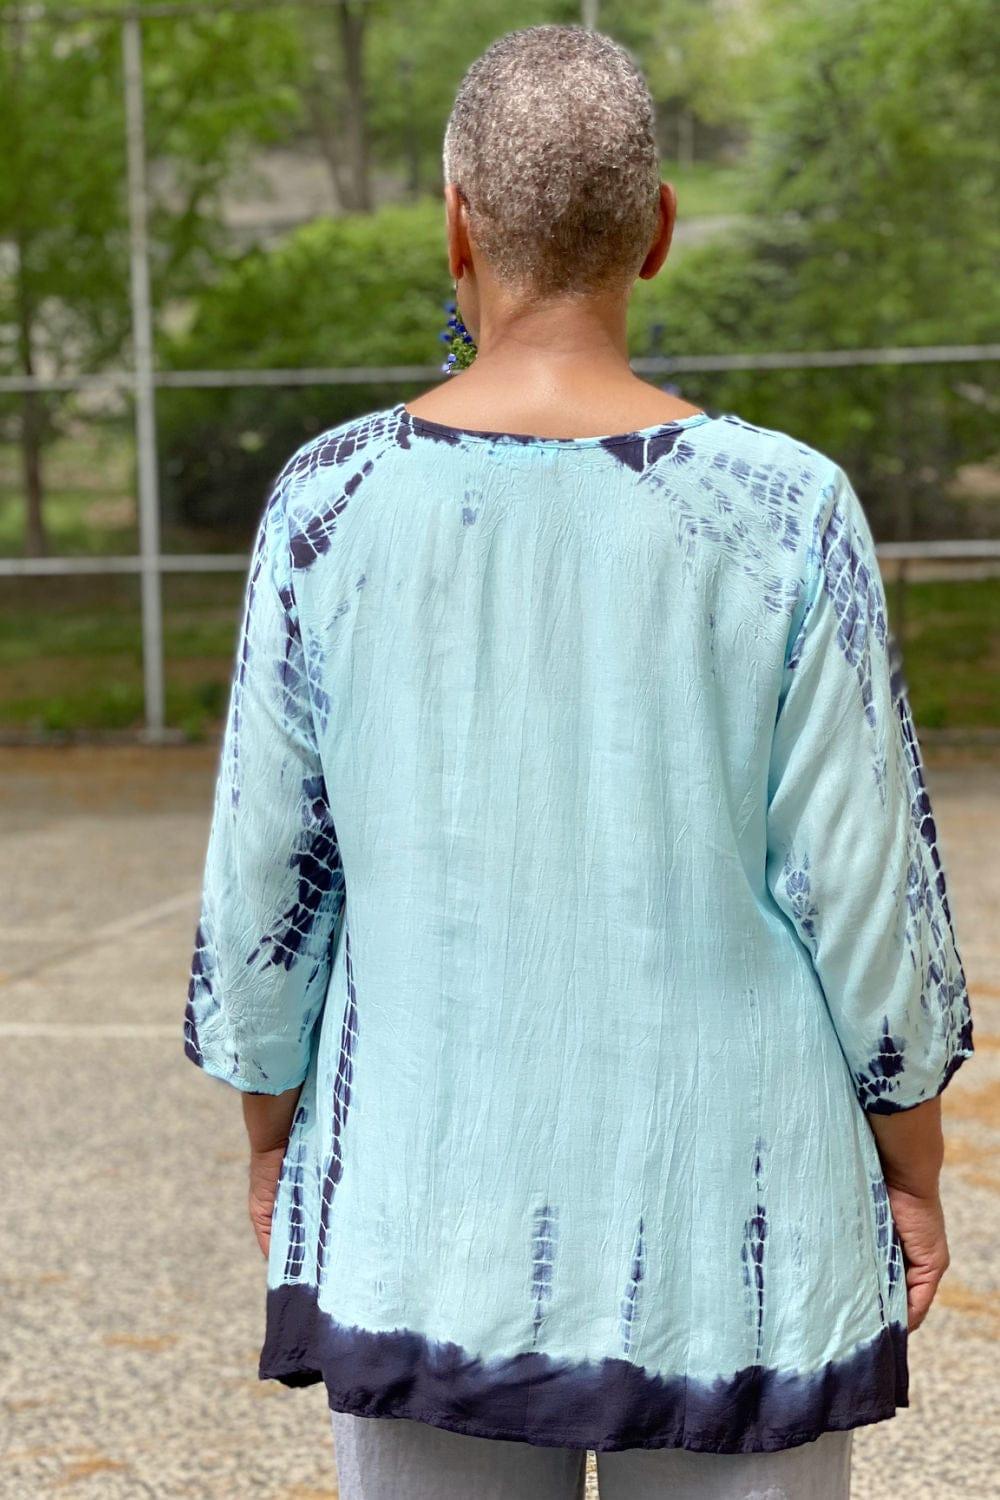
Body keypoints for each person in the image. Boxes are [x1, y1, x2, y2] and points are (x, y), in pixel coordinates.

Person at [183, 23, 975, 1500]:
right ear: (658, 233)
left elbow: (265, 892)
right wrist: (912, 1163)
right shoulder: (789, 511)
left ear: (456, 226)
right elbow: (868, 901)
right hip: (739, 1239)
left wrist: (272, 1133)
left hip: (426, 1215)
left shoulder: (326, 510)